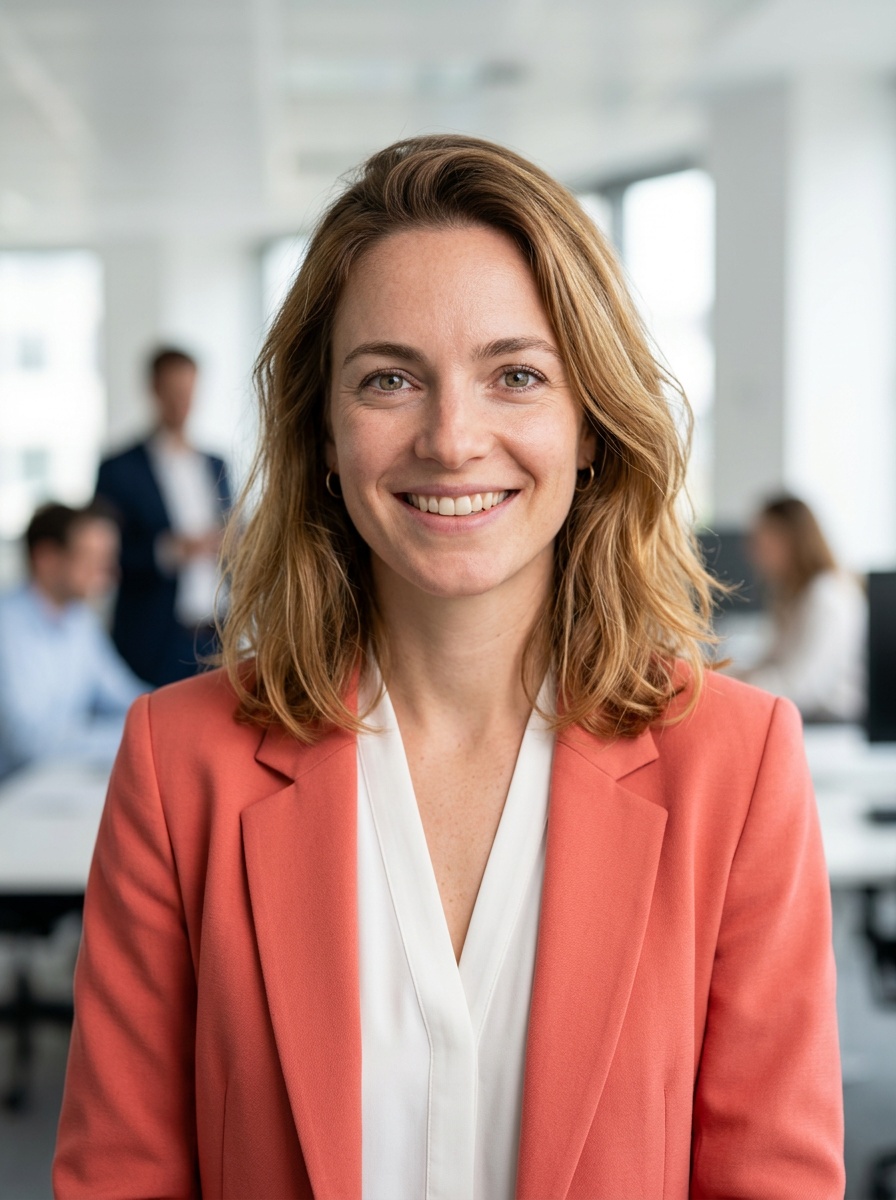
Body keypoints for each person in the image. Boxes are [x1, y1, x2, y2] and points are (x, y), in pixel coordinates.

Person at [54, 136, 844, 1198]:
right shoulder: (178, 764)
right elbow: (121, 1179)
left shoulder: (734, 767)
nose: (452, 437)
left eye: (515, 375)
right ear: (322, 435)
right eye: (388, 379)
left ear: (590, 427)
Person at [95, 347, 231, 687]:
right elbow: (105, 556)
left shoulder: (217, 463)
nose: (182, 402)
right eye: (174, 392)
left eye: (188, 392)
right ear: (154, 390)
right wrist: (169, 551)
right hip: (154, 638)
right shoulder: (119, 469)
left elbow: (232, 529)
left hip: (217, 634)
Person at [0, 502, 147, 779]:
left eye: (108, 558)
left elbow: (126, 696)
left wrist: (169, 717)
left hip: (58, 783)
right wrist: (137, 736)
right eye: (92, 557)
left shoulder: (79, 619)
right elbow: (29, 744)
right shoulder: (7, 626)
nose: (109, 572)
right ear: (47, 558)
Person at [735, 494, 867, 722]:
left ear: (790, 540)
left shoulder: (827, 595)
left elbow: (804, 687)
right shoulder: (791, 594)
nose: (753, 551)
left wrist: (733, 686)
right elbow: (773, 660)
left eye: (762, 540)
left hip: (830, 721)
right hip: (805, 714)